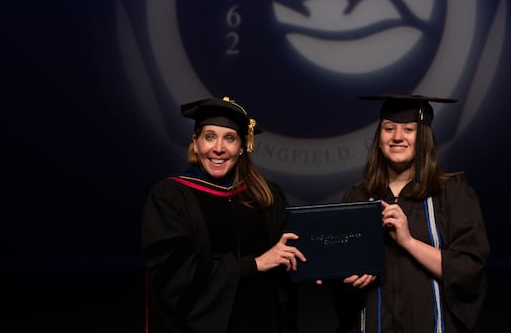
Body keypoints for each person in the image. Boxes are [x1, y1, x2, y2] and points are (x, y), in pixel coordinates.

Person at [141, 95, 306, 333]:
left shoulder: (266, 196)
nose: (218, 148)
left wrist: (318, 266)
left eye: (229, 138)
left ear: (242, 147)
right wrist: (255, 264)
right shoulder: (170, 197)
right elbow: (175, 274)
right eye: (209, 137)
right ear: (195, 142)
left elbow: (289, 261)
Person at [331, 93, 490, 333]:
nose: (397, 137)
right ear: (379, 136)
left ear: (423, 137)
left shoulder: (452, 193)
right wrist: (346, 276)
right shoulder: (358, 197)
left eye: (408, 129)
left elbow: (469, 270)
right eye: (389, 128)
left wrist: (408, 242)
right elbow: (342, 274)